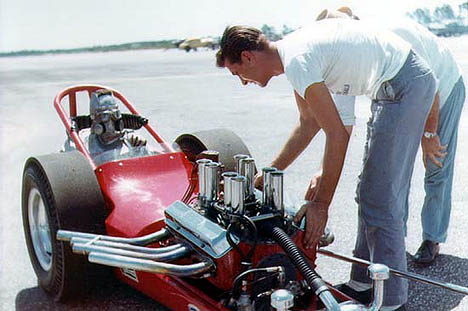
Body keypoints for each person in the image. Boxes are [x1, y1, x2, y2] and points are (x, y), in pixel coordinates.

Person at [216, 19, 437, 310]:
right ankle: (362, 283)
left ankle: (393, 302)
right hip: (391, 87)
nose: (243, 81)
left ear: (248, 57)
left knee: (380, 198)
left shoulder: (297, 61)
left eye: (238, 73)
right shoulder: (291, 58)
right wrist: (268, 173)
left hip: (406, 85)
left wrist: (321, 204)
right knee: (367, 193)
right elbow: (309, 124)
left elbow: (335, 135)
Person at [316, 8, 466, 266]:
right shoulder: (344, 53)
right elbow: (343, 122)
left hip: (443, 88)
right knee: (394, 170)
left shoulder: (389, 32)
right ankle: (397, 238)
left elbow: (430, 82)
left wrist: (428, 133)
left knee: (436, 165)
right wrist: (322, 173)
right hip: (398, 95)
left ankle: (432, 238)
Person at [63, 89, 147, 165]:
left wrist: (141, 147)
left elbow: (152, 163)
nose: (111, 123)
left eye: (115, 115)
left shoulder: (131, 140)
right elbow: (66, 165)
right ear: (95, 120)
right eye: (105, 116)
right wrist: (72, 139)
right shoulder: (82, 142)